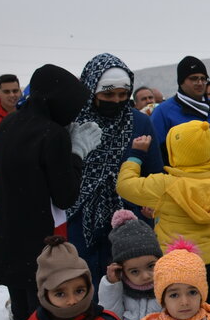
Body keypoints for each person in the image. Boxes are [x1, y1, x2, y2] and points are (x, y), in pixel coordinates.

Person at [0, 64, 99, 320]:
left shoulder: (9, 123)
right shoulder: (51, 133)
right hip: (38, 242)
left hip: (8, 239)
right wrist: (76, 154)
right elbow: (65, 196)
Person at [66, 54, 163, 284]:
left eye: (122, 95)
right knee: (84, 281)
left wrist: (152, 203)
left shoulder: (139, 122)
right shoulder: (75, 122)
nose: (116, 101)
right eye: (108, 94)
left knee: (129, 283)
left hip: (131, 218)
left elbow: (154, 172)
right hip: (81, 218)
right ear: (91, 90)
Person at [116, 121, 210, 305]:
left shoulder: (165, 185)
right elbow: (190, 216)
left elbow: (124, 186)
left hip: (175, 265)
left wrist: (136, 155)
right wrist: (160, 215)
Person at [148, 57, 210, 165]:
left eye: (203, 78)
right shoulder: (163, 112)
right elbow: (155, 152)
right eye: (194, 78)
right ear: (181, 81)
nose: (200, 83)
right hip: (181, 178)